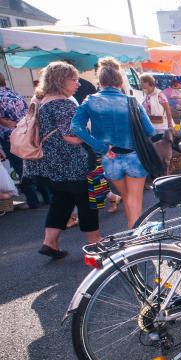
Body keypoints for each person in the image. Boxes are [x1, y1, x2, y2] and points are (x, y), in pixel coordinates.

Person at [22, 62, 100, 259]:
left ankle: (50, 242)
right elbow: (71, 136)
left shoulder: (41, 100)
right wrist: (88, 130)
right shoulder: (62, 104)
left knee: (62, 201)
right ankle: (95, 243)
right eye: (74, 79)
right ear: (60, 81)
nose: (78, 84)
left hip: (50, 164)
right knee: (87, 201)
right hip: (70, 163)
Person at [71, 57, 156, 228]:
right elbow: (150, 130)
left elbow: (76, 127)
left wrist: (100, 147)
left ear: (100, 82)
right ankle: (136, 240)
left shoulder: (90, 100)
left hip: (109, 158)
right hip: (133, 156)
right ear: (119, 81)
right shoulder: (131, 101)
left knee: (127, 199)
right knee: (135, 201)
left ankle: (132, 232)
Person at [0, 73, 52, 209]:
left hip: (10, 139)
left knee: (20, 169)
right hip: (26, 134)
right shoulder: (15, 94)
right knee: (33, 165)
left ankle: (33, 201)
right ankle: (48, 197)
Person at [140, 73, 175, 138]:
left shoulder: (159, 94)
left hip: (162, 127)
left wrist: (170, 124)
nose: (141, 83)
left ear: (149, 82)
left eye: (143, 82)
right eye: (141, 82)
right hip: (151, 127)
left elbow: (167, 109)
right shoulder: (146, 95)